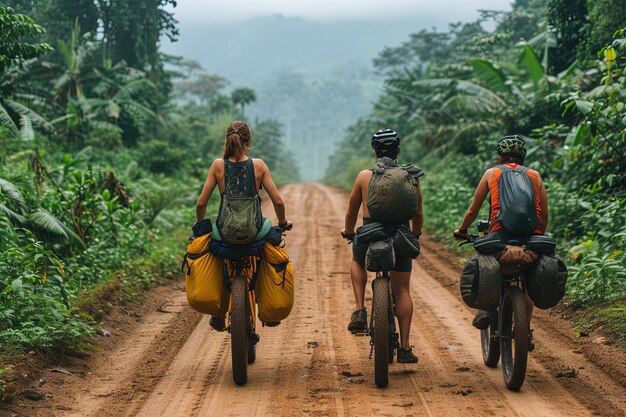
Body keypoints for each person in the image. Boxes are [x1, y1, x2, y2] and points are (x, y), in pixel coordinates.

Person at [195, 120, 292, 330]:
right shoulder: (259, 166)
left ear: (227, 140)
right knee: (270, 246)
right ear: (249, 141)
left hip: (225, 233)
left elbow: (201, 202)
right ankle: (267, 305)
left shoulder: (217, 166)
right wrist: (283, 223)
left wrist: (199, 224)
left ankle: (219, 314)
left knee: (219, 259)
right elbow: (278, 202)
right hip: (253, 231)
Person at [341, 129, 423, 364]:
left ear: (375, 151)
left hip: (370, 235)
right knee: (402, 291)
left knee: (357, 259)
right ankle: (405, 347)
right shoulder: (411, 176)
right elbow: (417, 213)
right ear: (398, 150)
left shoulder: (364, 176)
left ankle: (359, 309)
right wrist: (414, 235)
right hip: (400, 235)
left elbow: (351, 211)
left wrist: (349, 232)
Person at [454, 135, 548, 331]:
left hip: (499, 236)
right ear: (522, 157)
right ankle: (525, 330)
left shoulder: (491, 173)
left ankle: (486, 308)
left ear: (500, 156)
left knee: (484, 260)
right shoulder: (534, 175)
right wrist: (537, 236)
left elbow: (473, 209)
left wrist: (462, 230)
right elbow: (544, 214)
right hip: (530, 238)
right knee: (528, 279)